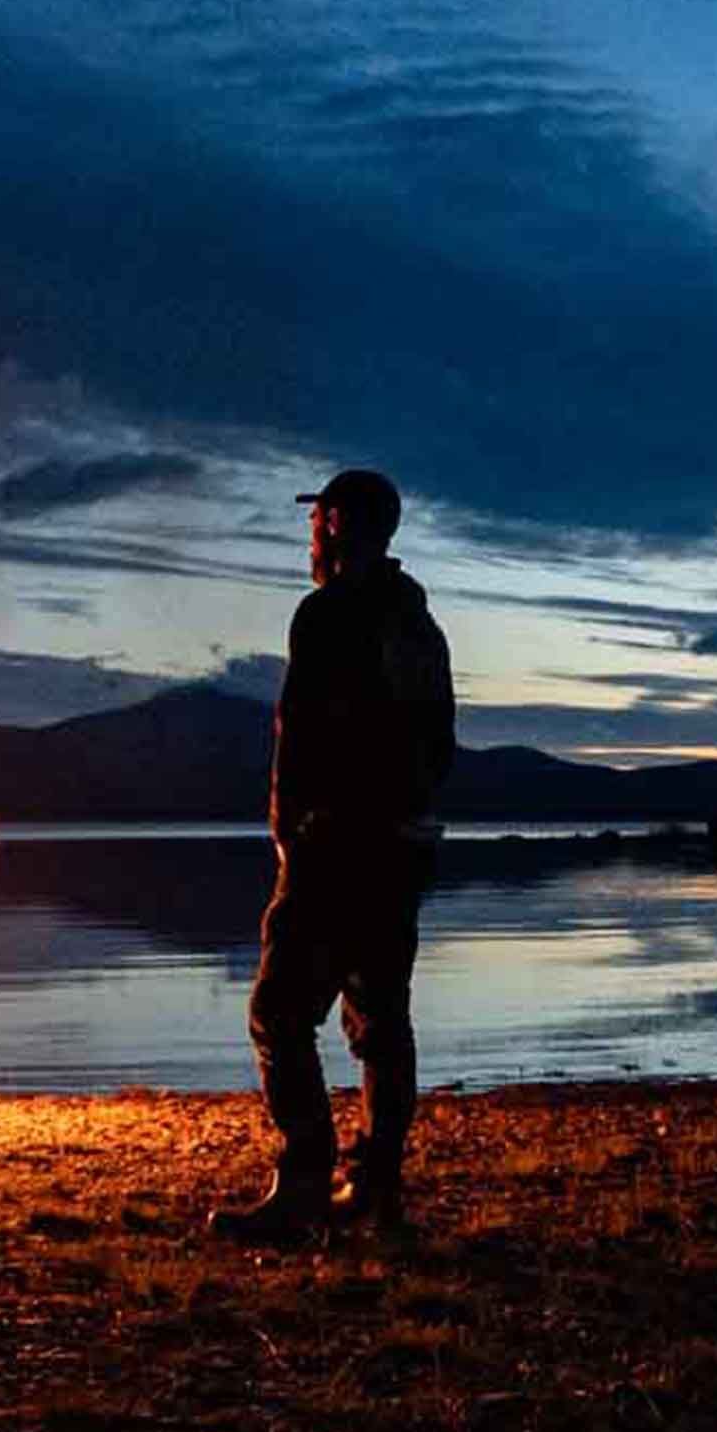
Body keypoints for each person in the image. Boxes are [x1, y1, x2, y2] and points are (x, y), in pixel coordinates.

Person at [215, 468, 456, 1244]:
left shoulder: (327, 615)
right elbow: (441, 743)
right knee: (381, 1019)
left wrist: (289, 828)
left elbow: (301, 733)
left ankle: (305, 1184)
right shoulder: (421, 627)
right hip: (403, 849)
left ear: (342, 526)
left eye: (318, 519)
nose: (310, 533)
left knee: (279, 1013)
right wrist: (411, 824)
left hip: (338, 847)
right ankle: (378, 1189)